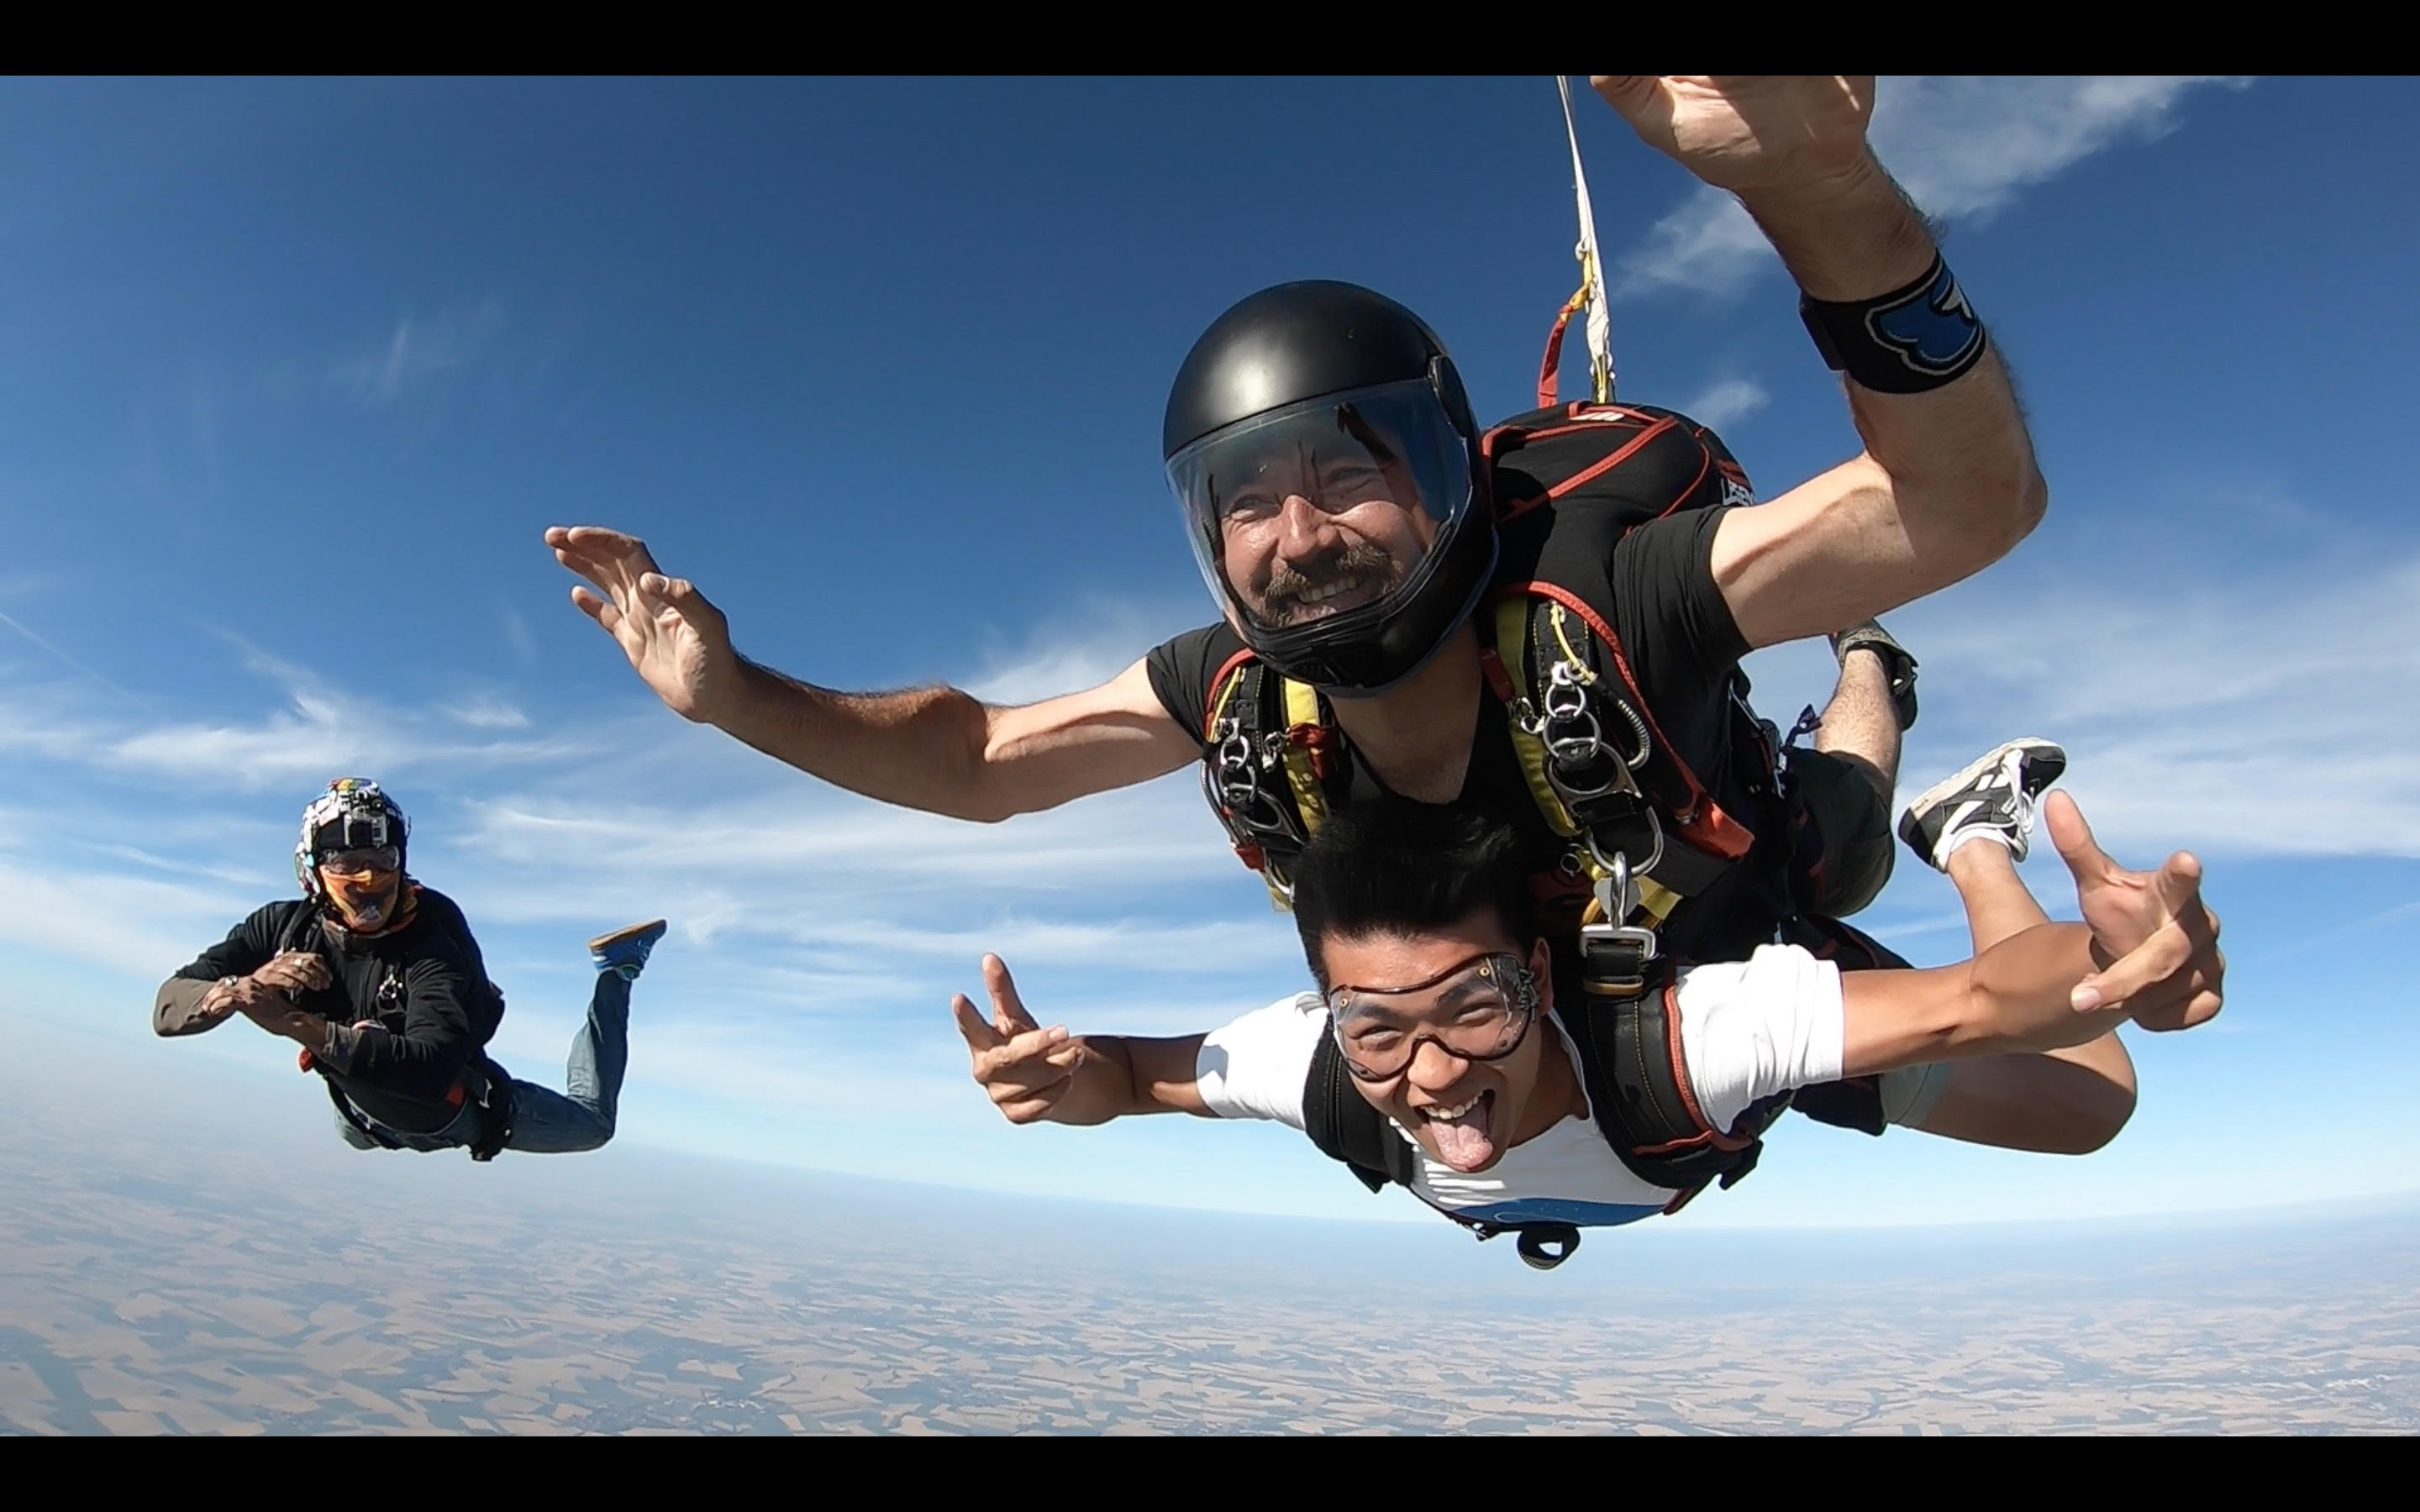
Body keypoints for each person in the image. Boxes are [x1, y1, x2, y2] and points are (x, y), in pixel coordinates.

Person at [549, 76, 2221, 1134]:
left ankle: (1921, 753)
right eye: (1244, 502)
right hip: (1536, 1028)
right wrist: (737, 696)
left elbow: (1960, 499)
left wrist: (1815, 187)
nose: (1295, 536)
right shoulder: (1236, 695)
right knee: (2068, 1093)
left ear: (1448, 468)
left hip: (1722, 918)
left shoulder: (1605, 590)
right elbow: (983, 754)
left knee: (1914, 902)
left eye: (1344, 474)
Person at [950, 743, 2221, 1268]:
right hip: (1664, 1130)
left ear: (1541, 978)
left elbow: (1982, 1004)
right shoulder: (1314, 1062)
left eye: (1475, 1006)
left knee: (2091, 1101)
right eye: (1377, 1026)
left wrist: (2115, 975)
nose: (1432, 1072)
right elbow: (1134, 1076)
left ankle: (1963, 826)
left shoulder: (1704, 1038)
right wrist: (1064, 1087)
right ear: (1329, 1010)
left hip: (1699, 1050)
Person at [151, 778, 668, 1159]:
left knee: (594, 1124)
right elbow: (169, 1005)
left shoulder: (432, 931)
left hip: (459, 1114)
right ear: (311, 870)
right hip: (361, 1117)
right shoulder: (284, 928)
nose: (370, 877)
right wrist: (237, 990)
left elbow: (430, 1069)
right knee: (355, 1128)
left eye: (383, 857)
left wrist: (298, 1025)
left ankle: (615, 973)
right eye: (347, 862)